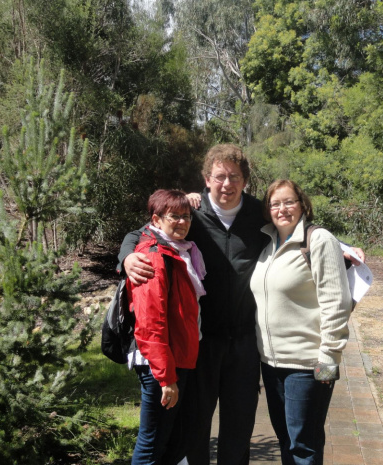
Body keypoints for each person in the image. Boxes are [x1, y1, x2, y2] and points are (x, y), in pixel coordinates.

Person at [118, 144, 364, 465]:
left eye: (234, 176)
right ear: (207, 179)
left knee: (239, 428)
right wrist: (127, 256)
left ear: (245, 180)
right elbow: (143, 232)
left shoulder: (257, 213)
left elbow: (295, 228)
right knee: (196, 426)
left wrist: (343, 248)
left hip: (246, 344)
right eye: (219, 176)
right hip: (202, 344)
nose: (227, 184)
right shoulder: (192, 212)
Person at [250, 179, 352, 465]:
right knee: (286, 440)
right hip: (271, 364)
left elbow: (337, 303)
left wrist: (328, 360)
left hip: (307, 366)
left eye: (289, 201)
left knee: (303, 446)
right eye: (275, 203)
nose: (282, 209)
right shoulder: (268, 243)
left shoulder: (319, 240)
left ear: (302, 204)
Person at [128, 189, 206, 465]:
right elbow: (150, 324)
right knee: (151, 445)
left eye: (186, 217)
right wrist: (166, 378)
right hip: (160, 365)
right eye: (174, 216)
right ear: (156, 219)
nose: (182, 222)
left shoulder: (180, 252)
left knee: (168, 442)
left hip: (175, 359)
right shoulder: (154, 258)